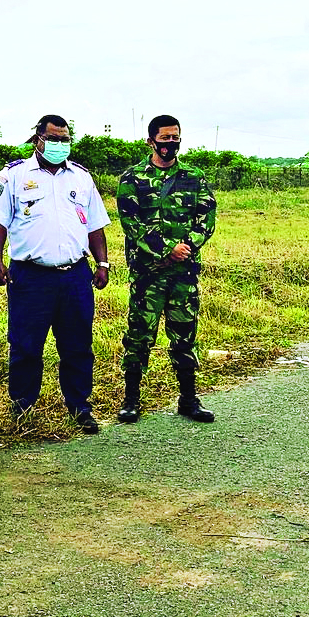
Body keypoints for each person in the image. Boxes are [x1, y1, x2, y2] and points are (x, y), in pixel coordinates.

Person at [0, 115, 110, 433]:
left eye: (65, 139)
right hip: (31, 277)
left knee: (78, 346)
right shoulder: (13, 175)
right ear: (37, 139)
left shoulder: (80, 176)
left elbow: (94, 225)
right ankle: (22, 410)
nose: (60, 145)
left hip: (75, 276)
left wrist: (102, 264)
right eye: (54, 138)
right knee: (25, 346)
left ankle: (80, 407)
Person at [116, 114, 217, 424]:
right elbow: (131, 224)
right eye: (165, 139)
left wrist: (187, 246)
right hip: (148, 274)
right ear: (151, 141)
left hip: (183, 273)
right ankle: (131, 400)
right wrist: (165, 249)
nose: (171, 144)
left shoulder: (193, 176)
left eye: (175, 138)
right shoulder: (132, 178)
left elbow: (207, 217)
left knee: (185, 335)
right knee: (139, 335)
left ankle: (188, 400)